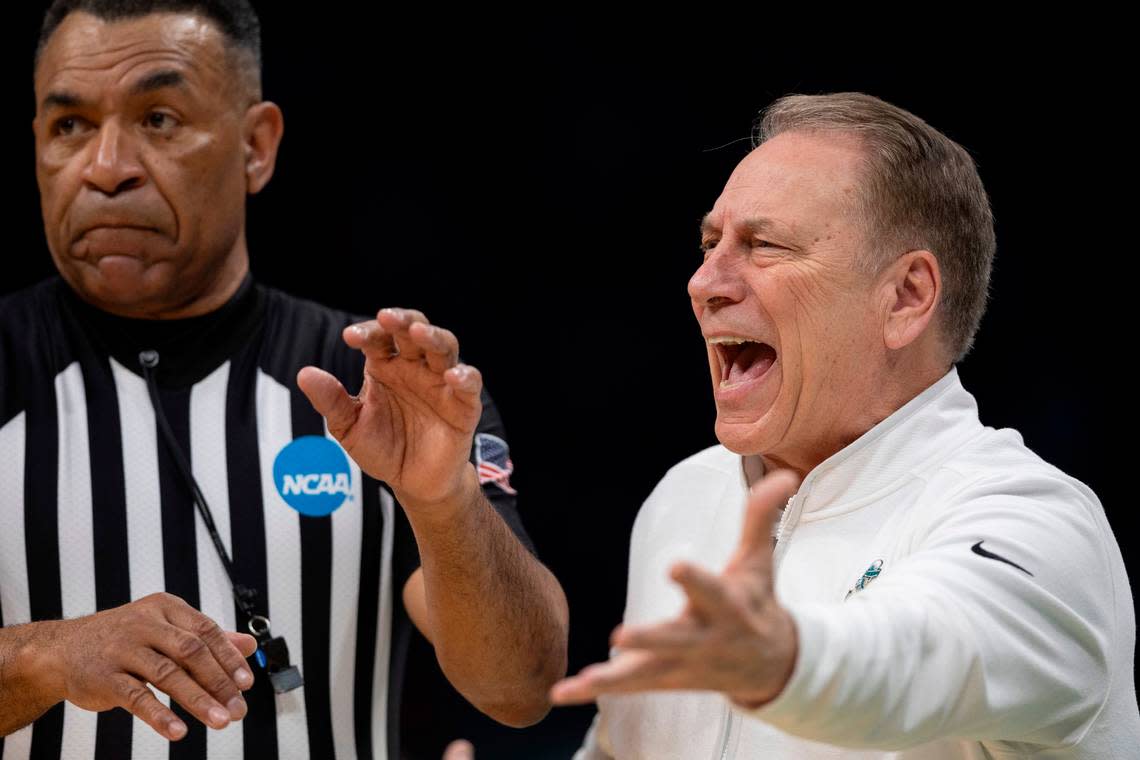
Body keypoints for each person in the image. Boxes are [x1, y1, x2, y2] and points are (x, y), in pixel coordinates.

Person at [0, 1, 569, 758]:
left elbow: (523, 687)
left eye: (160, 119)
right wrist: (43, 656)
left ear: (256, 146)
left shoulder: (373, 383)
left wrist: (443, 500)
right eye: (69, 126)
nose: (107, 167)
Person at [552, 93, 1138, 758]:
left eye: (763, 244)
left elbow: (921, 656)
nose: (704, 281)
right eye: (711, 242)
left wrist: (784, 661)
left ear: (906, 296)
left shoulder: (1033, 521)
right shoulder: (684, 496)